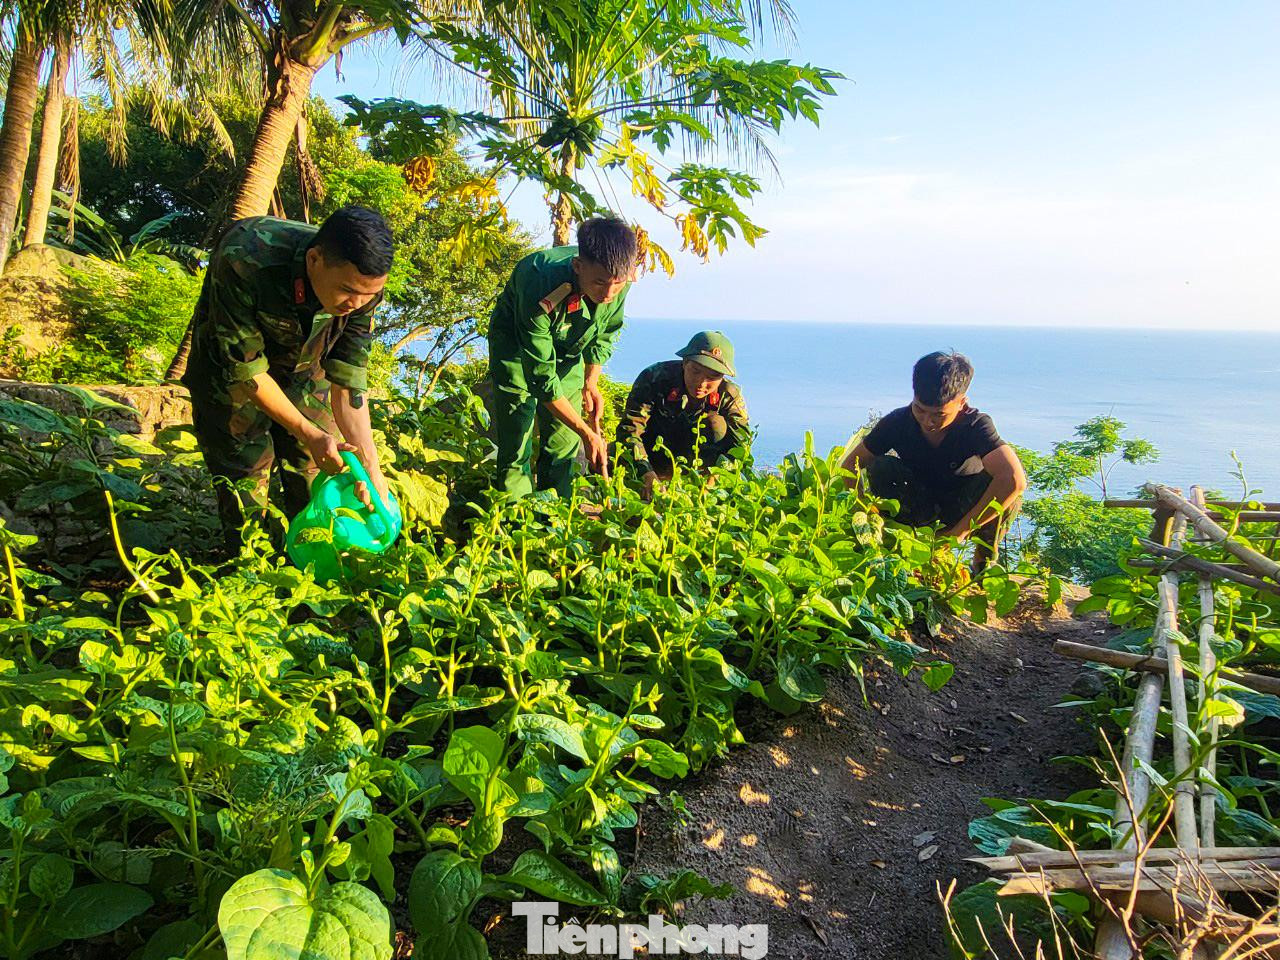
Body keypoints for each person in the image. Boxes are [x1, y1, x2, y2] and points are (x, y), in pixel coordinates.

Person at [181, 205, 393, 548]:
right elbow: (247, 370)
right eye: (347, 291)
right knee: (244, 486)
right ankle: (247, 570)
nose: (357, 303)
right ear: (314, 260)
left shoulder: (363, 291)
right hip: (234, 376)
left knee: (317, 479)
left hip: (307, 369)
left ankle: (309, 575)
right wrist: (308, 431)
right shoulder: (246, 257)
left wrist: (371, 466)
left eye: (368, 295)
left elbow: (348, 380)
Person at [488, 216, 637, 498]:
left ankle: (554, 521)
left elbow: (606, 332)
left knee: (563, 443)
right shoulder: (537, 281)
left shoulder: (619, 278)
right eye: (600, 283)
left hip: (570, 351)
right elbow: (542, 378)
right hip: (518, 349)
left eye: (616, 284)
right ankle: (515, 522)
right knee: (517, 436)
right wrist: (588, 433)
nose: (608, 293)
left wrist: (591, 382)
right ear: (578, 266)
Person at [842, 351, 1026, 572]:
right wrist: (866, 512)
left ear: (962, 403)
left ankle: (982, 562)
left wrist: (959, 533)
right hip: (916, 505)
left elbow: (1014, 480)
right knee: (880, 465)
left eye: (939, 414)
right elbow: (849, 465)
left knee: (1007, 486)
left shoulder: (977, 425)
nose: (927, 421)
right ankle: (892, 546)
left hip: (962, 508)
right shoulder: (898, 421)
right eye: (919, 409)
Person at [617, 330, 751, 500]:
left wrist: (715, 479)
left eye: (713, 377)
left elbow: (741, 448)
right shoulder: (655, 377)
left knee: (716, 424)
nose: (702, 383)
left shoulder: (729, 395)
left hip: (699, 463)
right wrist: (646, 472)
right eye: (696, 371)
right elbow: (630, 429)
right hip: (655, 451)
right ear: (685, 363)